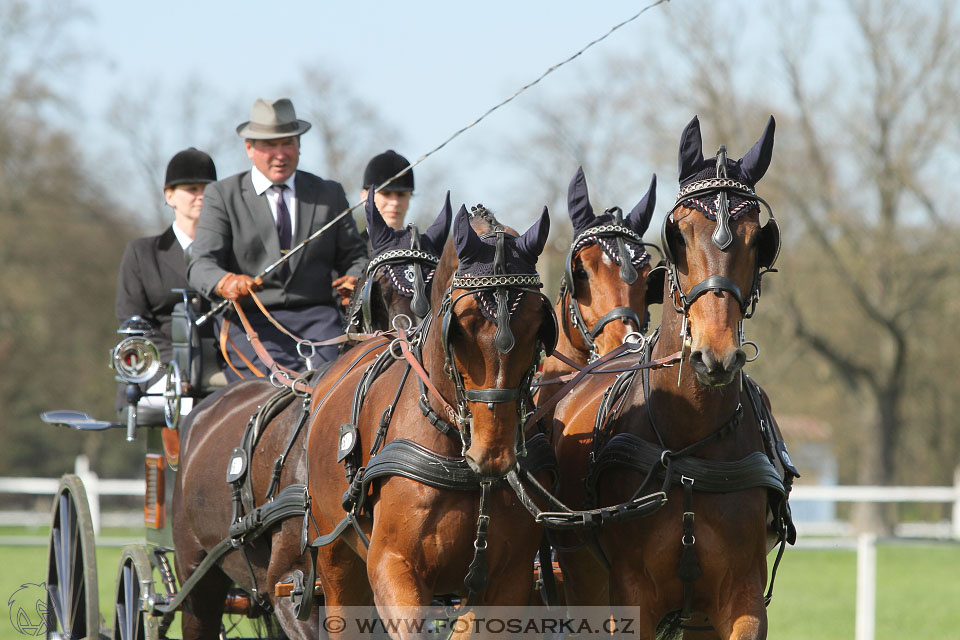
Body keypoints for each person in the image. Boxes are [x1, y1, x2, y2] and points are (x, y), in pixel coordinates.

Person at [187, 97, 368, 379]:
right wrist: (225, 282)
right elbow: (201, 264)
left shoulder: (328, 194)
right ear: (249, 148)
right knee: (272, 393)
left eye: (288, 143)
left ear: (299, 145)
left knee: (337, 388)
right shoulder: (222, 195)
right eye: (269, 145)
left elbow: (356, 256)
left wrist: (355, 278)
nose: (280, 154)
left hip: (319, 322)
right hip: (249, 322)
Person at [115, 147, 218, 412]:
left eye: (207, 189)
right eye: (192, 189)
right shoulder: (142, 253)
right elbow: (132, 320)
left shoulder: (231, 255)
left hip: (223, 362)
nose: (201, 197)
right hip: (160, 366)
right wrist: (174, 365)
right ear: (169, 195)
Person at [360, 149, 414, 231]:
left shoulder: (422, 243)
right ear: (365, 197)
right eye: (386, 194)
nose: (395, 202)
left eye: (401, 194)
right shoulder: (352, 244)